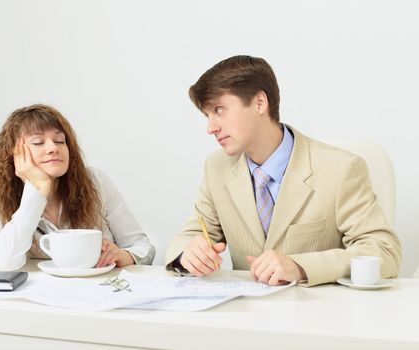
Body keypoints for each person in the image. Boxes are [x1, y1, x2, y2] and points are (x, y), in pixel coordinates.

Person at [165, 55, 401, 286]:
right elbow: (192, 234)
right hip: (245, 316)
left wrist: (300, 267)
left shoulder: (341, 169)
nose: (210, 127)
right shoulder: (216, 167)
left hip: (319, 316)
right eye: (207, 115)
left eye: (219, 110)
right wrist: (188, 253)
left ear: (259, 103)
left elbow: (385, 252)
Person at [0, 104, 155, 270]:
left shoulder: (96, 181)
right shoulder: (5, 199)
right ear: (15, 154)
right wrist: (38, 188)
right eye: (38, 142)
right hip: (44, 295)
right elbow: (2, 265)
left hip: (99, 291)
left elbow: (142, 246)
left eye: (60, 141)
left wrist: (124, 256)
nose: (53, 148)